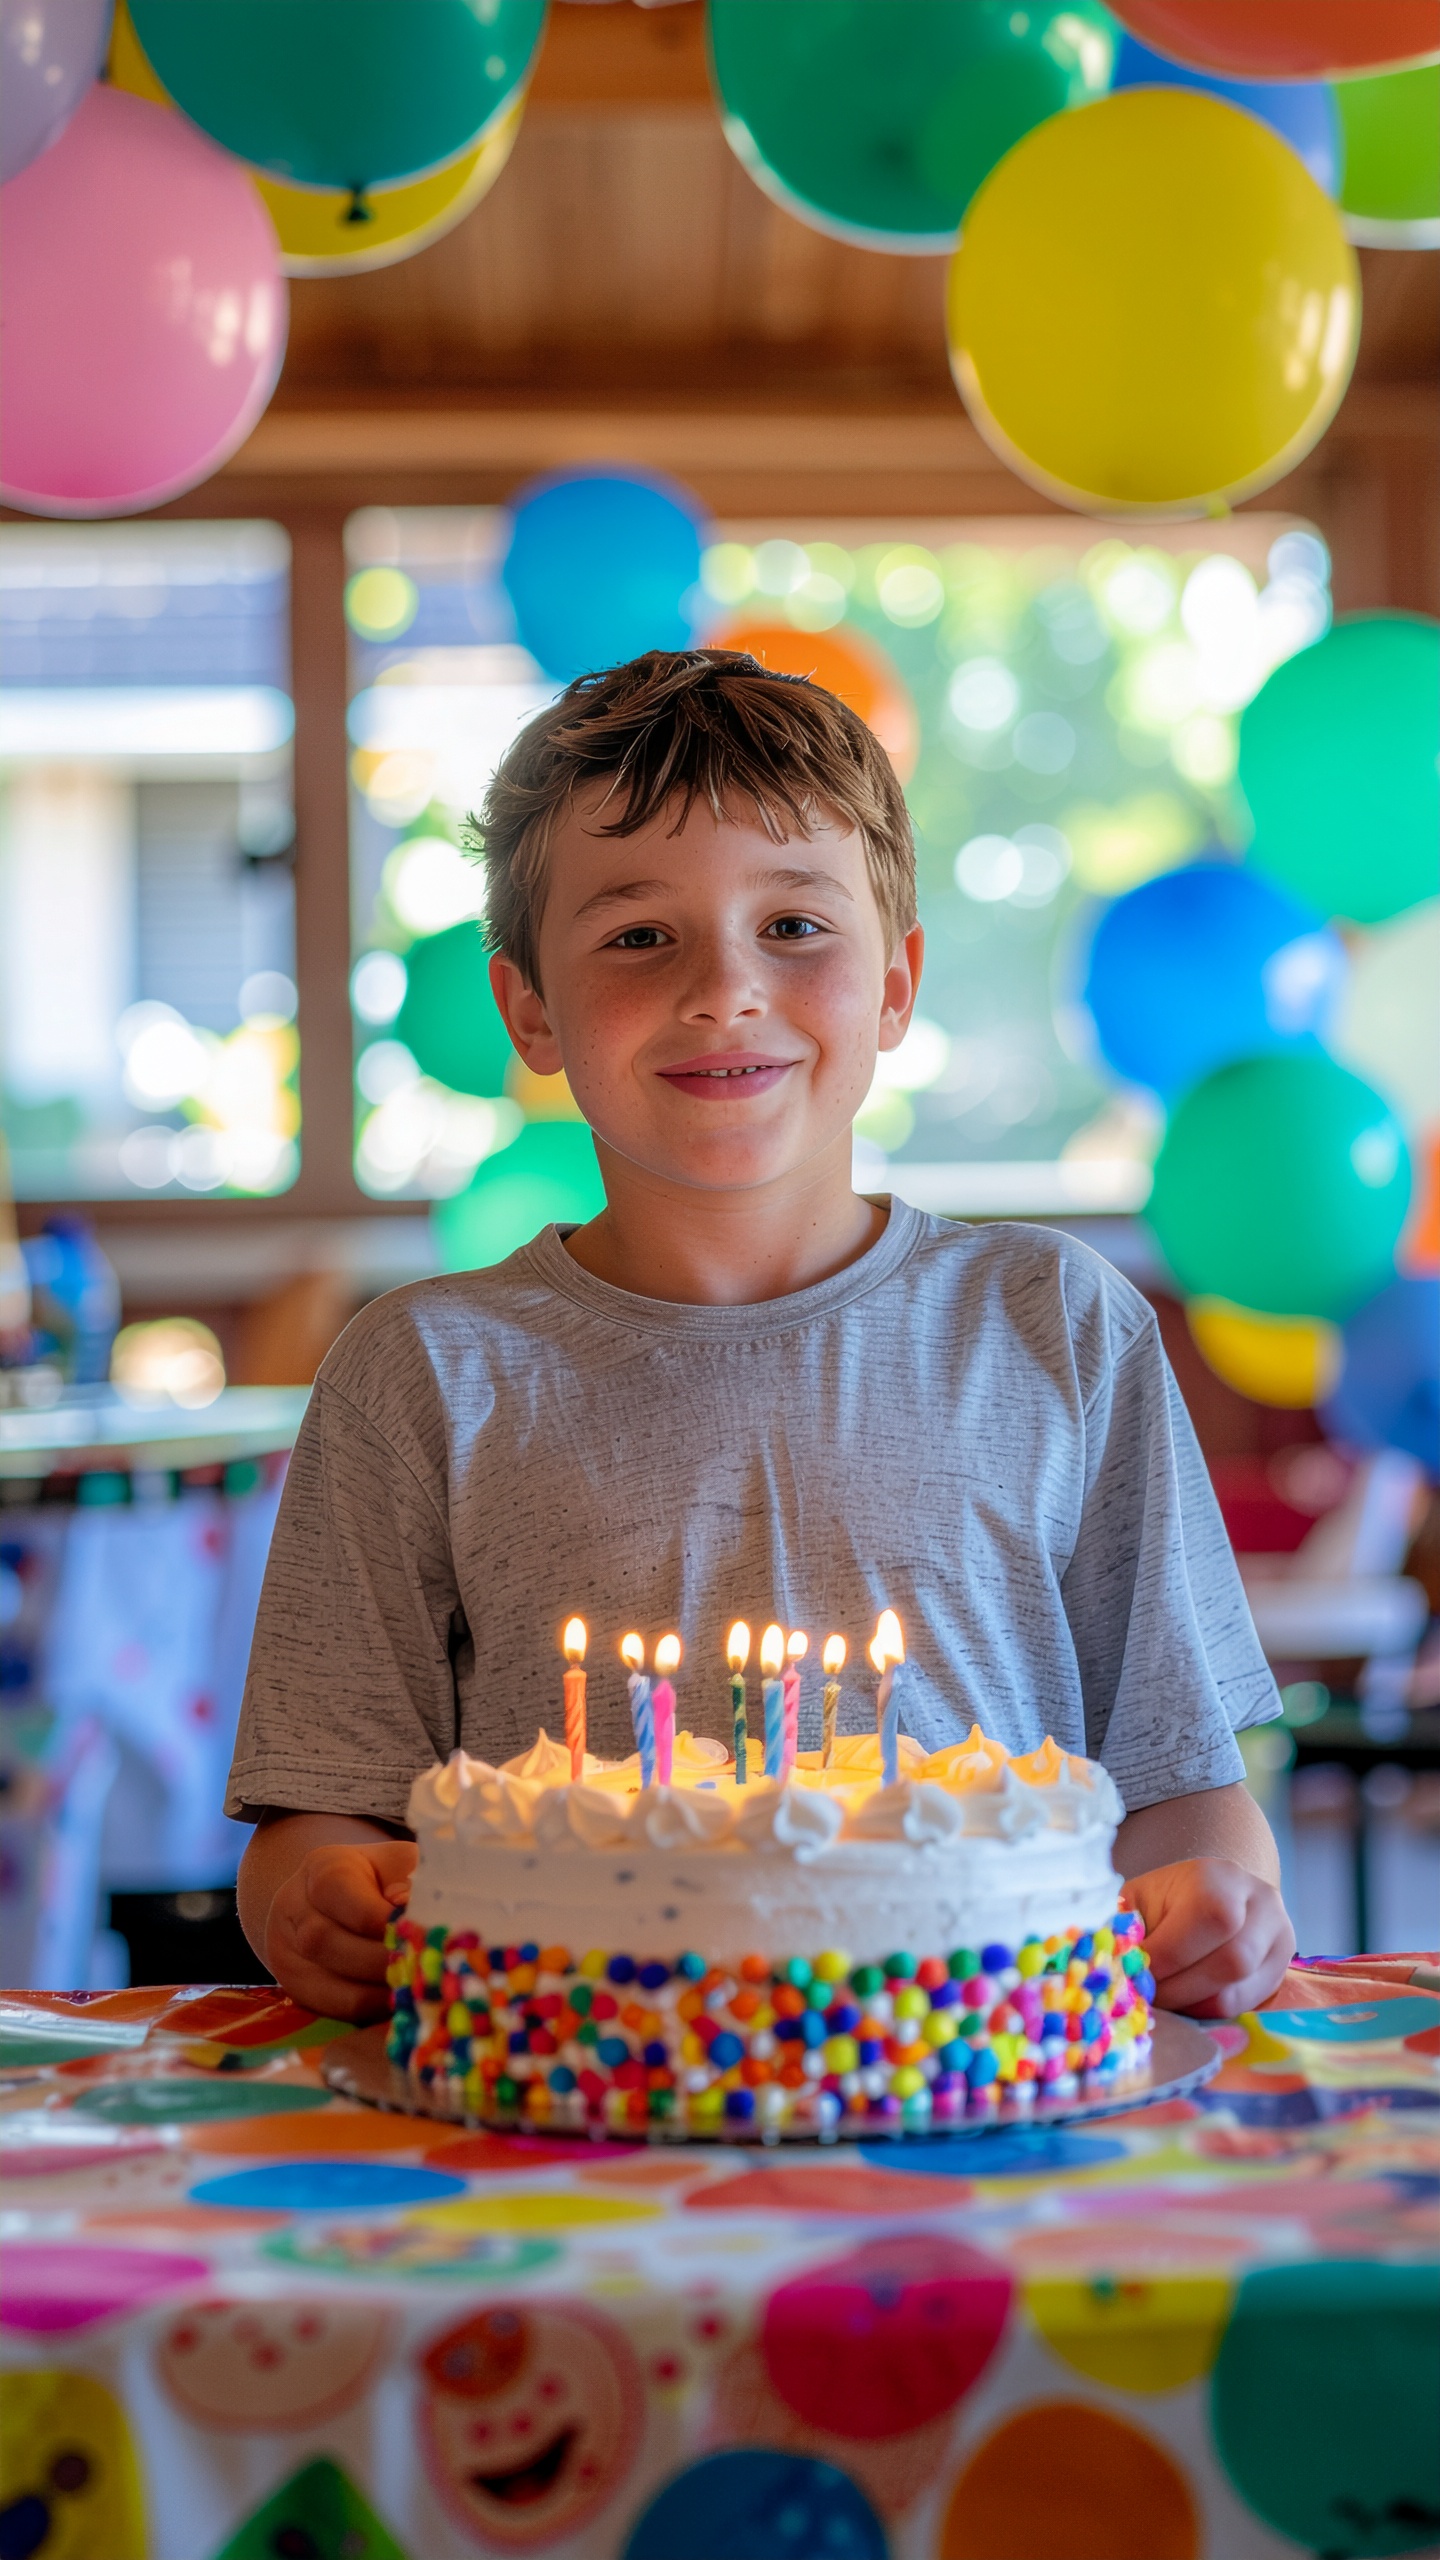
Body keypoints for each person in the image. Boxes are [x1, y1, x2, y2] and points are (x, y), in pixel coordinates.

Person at [232, 648, 1295, 2025]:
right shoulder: (421, 1372)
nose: (723, 989)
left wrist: (1211, 1911)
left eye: (794, 927)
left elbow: (1184, 1794)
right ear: (529, 1011)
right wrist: (316, 1905)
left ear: (898, 984)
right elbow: (315, 1829)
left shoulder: (1058, 1324)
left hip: (986, 2097)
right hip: (560, 2124)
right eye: (636, 935)